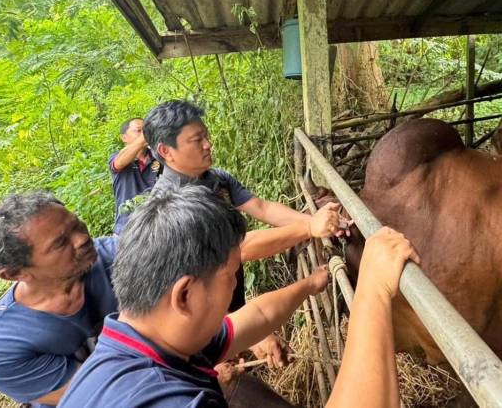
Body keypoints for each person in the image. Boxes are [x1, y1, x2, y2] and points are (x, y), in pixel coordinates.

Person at [59, 186, 419, 408]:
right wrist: (373, 288)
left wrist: (311, 284)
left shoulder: (138, 342)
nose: (235, 286)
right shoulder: (171, 400)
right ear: (184, 294)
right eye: (231, 275)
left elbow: (255, 318)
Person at [142, 99, 348, 365]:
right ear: (166, 151)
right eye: (196, 140)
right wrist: (309, 227)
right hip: (196, 327)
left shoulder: (215, 178)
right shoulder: (174, 207)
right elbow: (240, 251)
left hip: (224, 301)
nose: (208, 144)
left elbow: (262, 208)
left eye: (206, 135)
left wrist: (320, 221)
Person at [0, 192, 117, 407]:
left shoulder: (118, 257)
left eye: (76, 225)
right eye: (60, 243)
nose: (82, 238)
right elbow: (104, 393)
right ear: (15, 273)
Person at [109, 117, 159, 234]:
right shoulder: (118, 157)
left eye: (146, 130)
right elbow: (119, 163)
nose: (144, 133)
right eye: (138, 130)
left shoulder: (159, 156)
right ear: (124, 137)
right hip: (127, 227)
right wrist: (144, 136)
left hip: (156, 225)